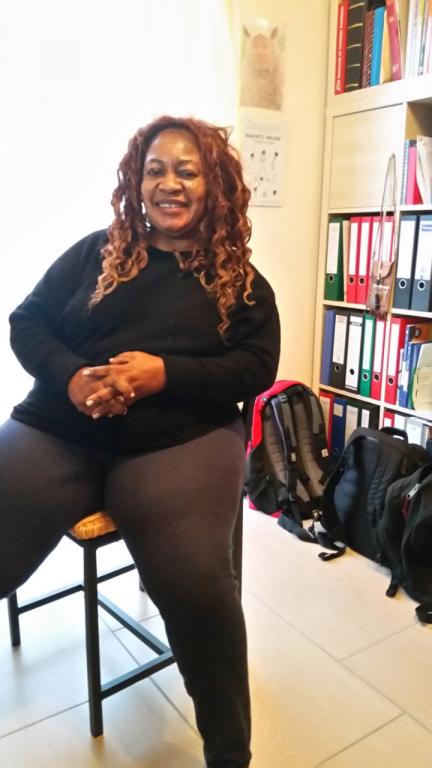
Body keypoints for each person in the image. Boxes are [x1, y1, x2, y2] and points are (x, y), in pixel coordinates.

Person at [0, 115, 280, 768]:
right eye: (156, 170)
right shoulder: (95, 253)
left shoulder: (239, 281)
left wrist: (164, 374)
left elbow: (255, 367)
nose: (169, 183)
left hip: (178, 440)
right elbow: (27, 322)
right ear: (137, 181)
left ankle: (229, 753)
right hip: (60, 428)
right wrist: (72, 378)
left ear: (215, 185)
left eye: (187, 170)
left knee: (196, 584)